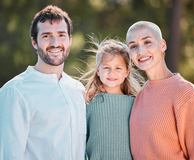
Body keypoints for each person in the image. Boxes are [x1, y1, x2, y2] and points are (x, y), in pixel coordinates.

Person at [0, 5, 86, 160]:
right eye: (46, 36)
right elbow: (10, 154)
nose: (55, 42)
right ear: (34, 42)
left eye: (61, 35)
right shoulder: (15, 91)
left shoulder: (78, 89)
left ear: (70, 40)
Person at [126, 21, 194, 160]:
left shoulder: (186, 94)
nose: (140, 51)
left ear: (162, 45)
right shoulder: (139, 96)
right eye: (133, 46)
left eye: (147, 42)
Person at [82, 37, 145, 160]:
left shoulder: (135, 105)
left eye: (118, 68)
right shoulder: (88, 103)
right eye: (106, 68)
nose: (112, 73)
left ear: (127, 72)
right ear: (98, 71)